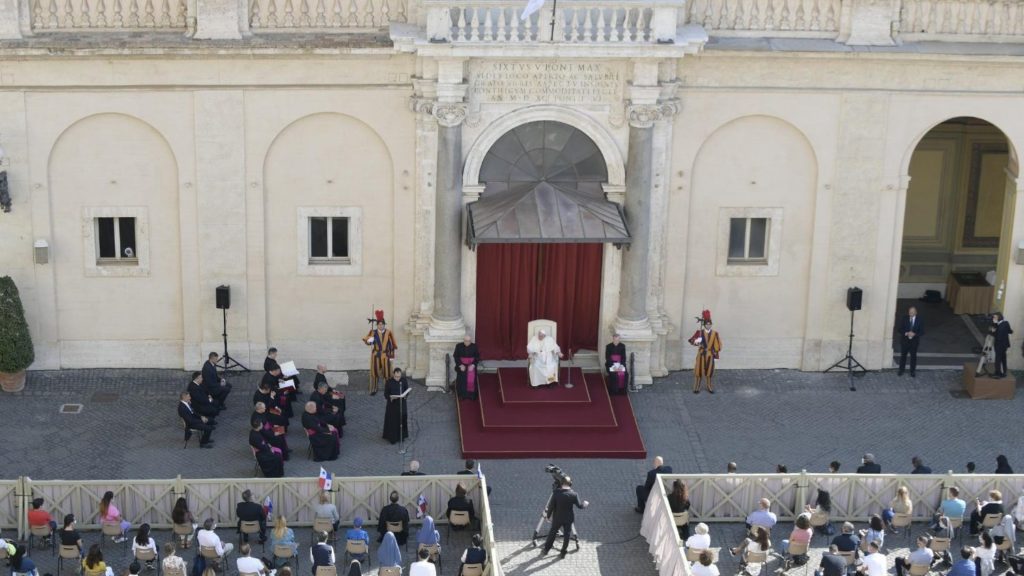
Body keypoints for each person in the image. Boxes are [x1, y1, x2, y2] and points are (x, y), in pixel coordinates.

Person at [540, 475, 588, 560]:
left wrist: (548, 517)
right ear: (570, 484)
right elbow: (580, 506)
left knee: (552, 533)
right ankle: (563, 552)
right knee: (567, 535)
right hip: (568, 518)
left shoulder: (556, 493)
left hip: (557, 518)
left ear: (561, 483)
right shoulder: (574, 494)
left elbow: (551, 506)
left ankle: (546, 549)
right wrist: (585, 504)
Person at [688, 309, 722, 394]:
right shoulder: (699, 332)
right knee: (699, 370)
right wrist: (697, 341)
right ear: (704, 325)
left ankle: (709, 386)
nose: (709, 326)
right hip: (701, 354)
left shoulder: (715, 333)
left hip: (710, 354)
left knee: (709, 371)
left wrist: (716, 355)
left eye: (710, 324)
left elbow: (718, 345)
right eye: (707, 324)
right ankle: (697, 386)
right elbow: (691, 340)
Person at [364, 312, 397, 395]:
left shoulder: (389, 332)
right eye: (379, 324)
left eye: (382, 324)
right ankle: (374, 389)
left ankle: (387, 390)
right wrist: (369, 340)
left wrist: (392, 356)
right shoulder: (373, 332)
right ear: (377, 325)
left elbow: (392, 345)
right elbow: (367, 341)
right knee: (374, 372)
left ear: (384, 325)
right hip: (376, 355)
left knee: (387, 373)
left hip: (386, 355)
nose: (381, 326)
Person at [382, 368, 410, 445]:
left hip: (402, 403)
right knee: (393, 422)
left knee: (402, 420)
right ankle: (392, 438)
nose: (398, 378)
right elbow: (386, 394)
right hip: (392, 405)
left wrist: (405, 395)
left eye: (399, 376)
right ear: (393, 375)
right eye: (396, 376)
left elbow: (406, 390)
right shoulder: (389, 382)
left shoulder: (403, 380)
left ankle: (402, 436)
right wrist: (390, 397)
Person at [897, 306, 923, 377]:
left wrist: (915, 334)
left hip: (914, 342)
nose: (910, 313)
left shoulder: (919, 320)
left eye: (912, 312)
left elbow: (922, 332)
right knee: (903, 356)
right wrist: (906, 333)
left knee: (913, 357)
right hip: (905, 341)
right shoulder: (904, 318)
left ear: (916, 312)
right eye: (909, 312)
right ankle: (901, 370)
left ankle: (912, 371)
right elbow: (899, 329)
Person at [454, 334, 481, 400]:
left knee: (471, 380)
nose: (467, 342)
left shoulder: (474, 346)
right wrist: (460, 365)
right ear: (463, 340)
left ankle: (471, 395)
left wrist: (473, 365)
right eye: (466, 341)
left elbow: (477, 357)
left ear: (470, 341)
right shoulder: (458, 346)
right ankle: (461, 395)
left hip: (471, 366)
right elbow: (456, 356)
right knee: (461, 380)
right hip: (462, 365)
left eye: (468, 341)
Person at [992, 312, 1013, 379]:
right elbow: (1010, 331)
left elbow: (997, 336)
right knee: (1003, 358)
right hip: (1005, 345)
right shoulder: (1006, 323)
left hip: (999, 345)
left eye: (995, 317)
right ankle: (1003, 372)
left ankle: (999, 373)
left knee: (998, 359)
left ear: (999, 318)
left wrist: (993, 331)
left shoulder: (999, 326)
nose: (993, 319)